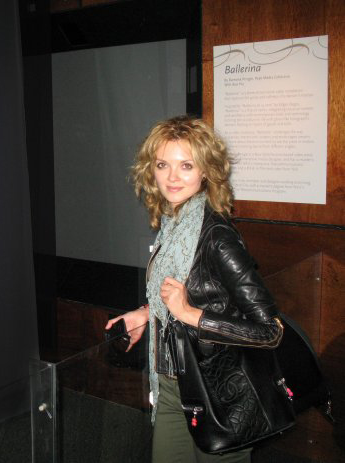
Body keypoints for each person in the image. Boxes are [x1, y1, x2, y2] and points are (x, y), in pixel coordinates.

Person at [106, 116, 283, 463]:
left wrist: (190, 314)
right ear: (150, 170)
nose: (172, 177)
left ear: (205, 171)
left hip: (220, 393)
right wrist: (146, 313)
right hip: (173, 383)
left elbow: (269, 331)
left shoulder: (217, 236)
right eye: (163, 165)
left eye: (186, 165)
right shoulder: (173, 225)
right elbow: (183, 292)